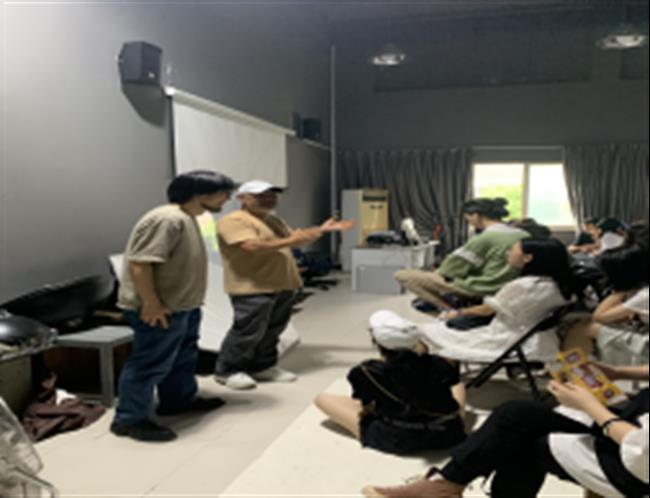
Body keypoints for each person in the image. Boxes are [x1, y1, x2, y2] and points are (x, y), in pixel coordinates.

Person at [362, 364, 649, 498]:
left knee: (523, 438)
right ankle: (445, 485)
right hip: (630, 425)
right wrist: (618, 372)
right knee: (517, 414)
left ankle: (443, 487)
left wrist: (590, 407)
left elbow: (642, 452)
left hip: (632, 463)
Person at [111, 170, 236, 442]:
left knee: (182, 357)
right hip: (160, 309)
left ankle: (178, 401)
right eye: (223, 194)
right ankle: (128, 420)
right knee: (150, 363)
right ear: (201, 194)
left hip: (182, 306)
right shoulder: (166, 219)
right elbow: (140, 264)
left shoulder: (187, 218)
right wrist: (151, 304)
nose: (227, 199)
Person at [214, 180, 353, 390]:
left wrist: (322, 229)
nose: (269, 199)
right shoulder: (234, 221)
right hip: (252, 286)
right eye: (261, 196)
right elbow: (252, 246)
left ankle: (263, 366)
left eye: (272, 195)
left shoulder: (272, 220)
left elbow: (295, 238)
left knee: (274, 329)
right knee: (248, 331)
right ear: (242, 198)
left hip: (281, 284)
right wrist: (292, 241)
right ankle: (227, 371)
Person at [314, 310, 466, 456]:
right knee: (458, 386)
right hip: (448, 433)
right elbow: (447, 380)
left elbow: (367, 409)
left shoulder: (366, 371)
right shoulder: (441, 363)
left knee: (321, 399)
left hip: (397, 437)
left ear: (375, 341)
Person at [419, 238, 574, 364]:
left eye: (513, 250)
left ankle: (443, 382)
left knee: (426, 332)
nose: (508, 253)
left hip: (507, 339)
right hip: (539, 339)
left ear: (528, 258)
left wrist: (457, 312)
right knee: (444, 329)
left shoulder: (524, 286)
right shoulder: (557, 284)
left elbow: (487, 310)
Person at [395, 198, 528, 312]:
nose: (468, 222)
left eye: (467, 218)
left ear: (475, 215)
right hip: (509, 284)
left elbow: (449, 269)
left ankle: (448, 310)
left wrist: (438, 272)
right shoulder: (523, 234)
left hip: (482, 286)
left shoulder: (485, 238)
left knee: (402, 275)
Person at [564, 243, 649, 366]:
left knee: (584, 328)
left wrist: (621, 289)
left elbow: (599, 316)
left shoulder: (644, 295)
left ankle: (575, 372)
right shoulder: (643, 291)